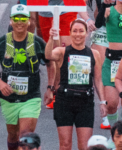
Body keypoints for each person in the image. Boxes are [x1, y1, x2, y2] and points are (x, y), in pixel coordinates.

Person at [0, 4, 49, 149]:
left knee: (25, 135)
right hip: (9, 98)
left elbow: (51, 63)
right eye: (16, 18)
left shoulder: (36, 42)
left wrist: (50, 87)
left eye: (23, 18)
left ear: (29, 21)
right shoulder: (3, 42)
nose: (19, 22)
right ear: (11, 21)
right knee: (13, 135)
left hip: (31, 97)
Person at [44, 17, 105, 150]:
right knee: (65, 145)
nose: (78, 34)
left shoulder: (94, 54)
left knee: (84, 146)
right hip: (64, 101)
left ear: (86, 33)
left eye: (81, 31)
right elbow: (48, 55)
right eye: (75, 31)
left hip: (85, 103)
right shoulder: (62, 51)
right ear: (70, 33)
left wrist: (103, 102)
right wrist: (51, 38)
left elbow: (98, 80)